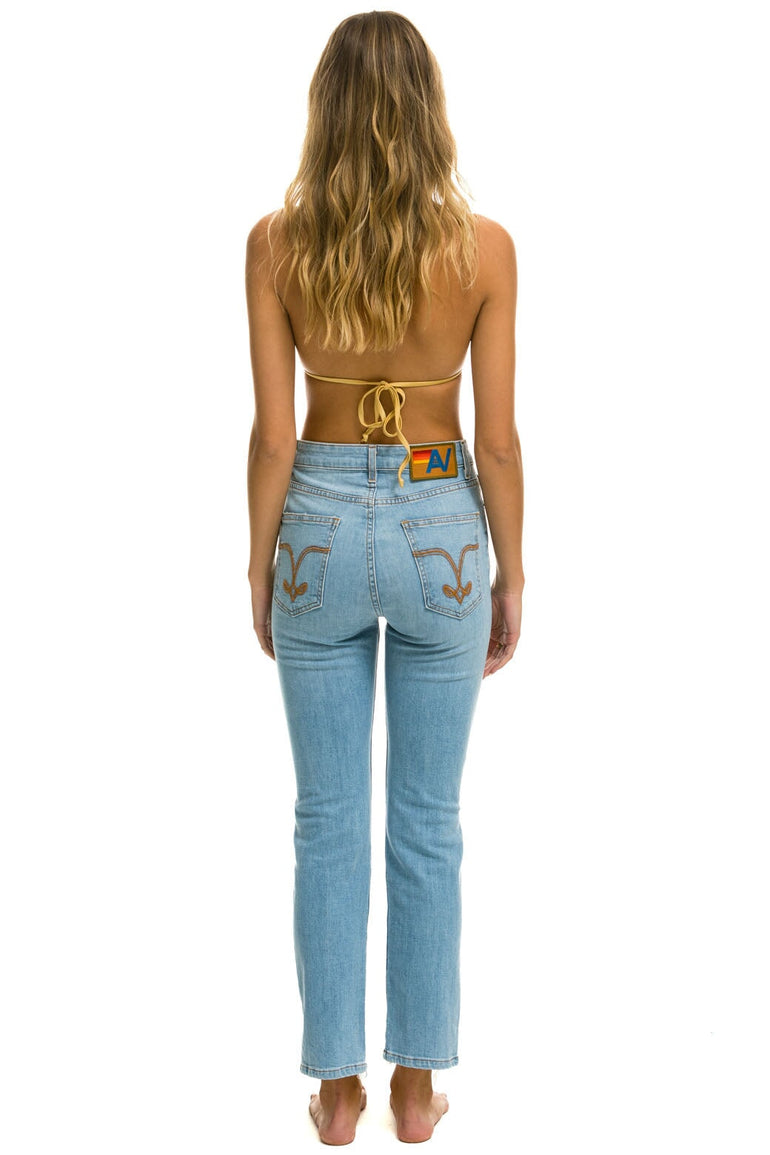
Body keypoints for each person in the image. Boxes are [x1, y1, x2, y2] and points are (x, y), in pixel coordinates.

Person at [245, 11, 523, 1145]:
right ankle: (415, 1086)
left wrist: (257, 563)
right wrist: (511, 572)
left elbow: (274, 436)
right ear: (428, 110)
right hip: (440, 519)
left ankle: (336, 1090)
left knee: (325, 819)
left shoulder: (276, 245)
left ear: (325, 112)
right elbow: (496, 439)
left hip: (314, 520)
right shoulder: (484, 250)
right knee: (426, 818)